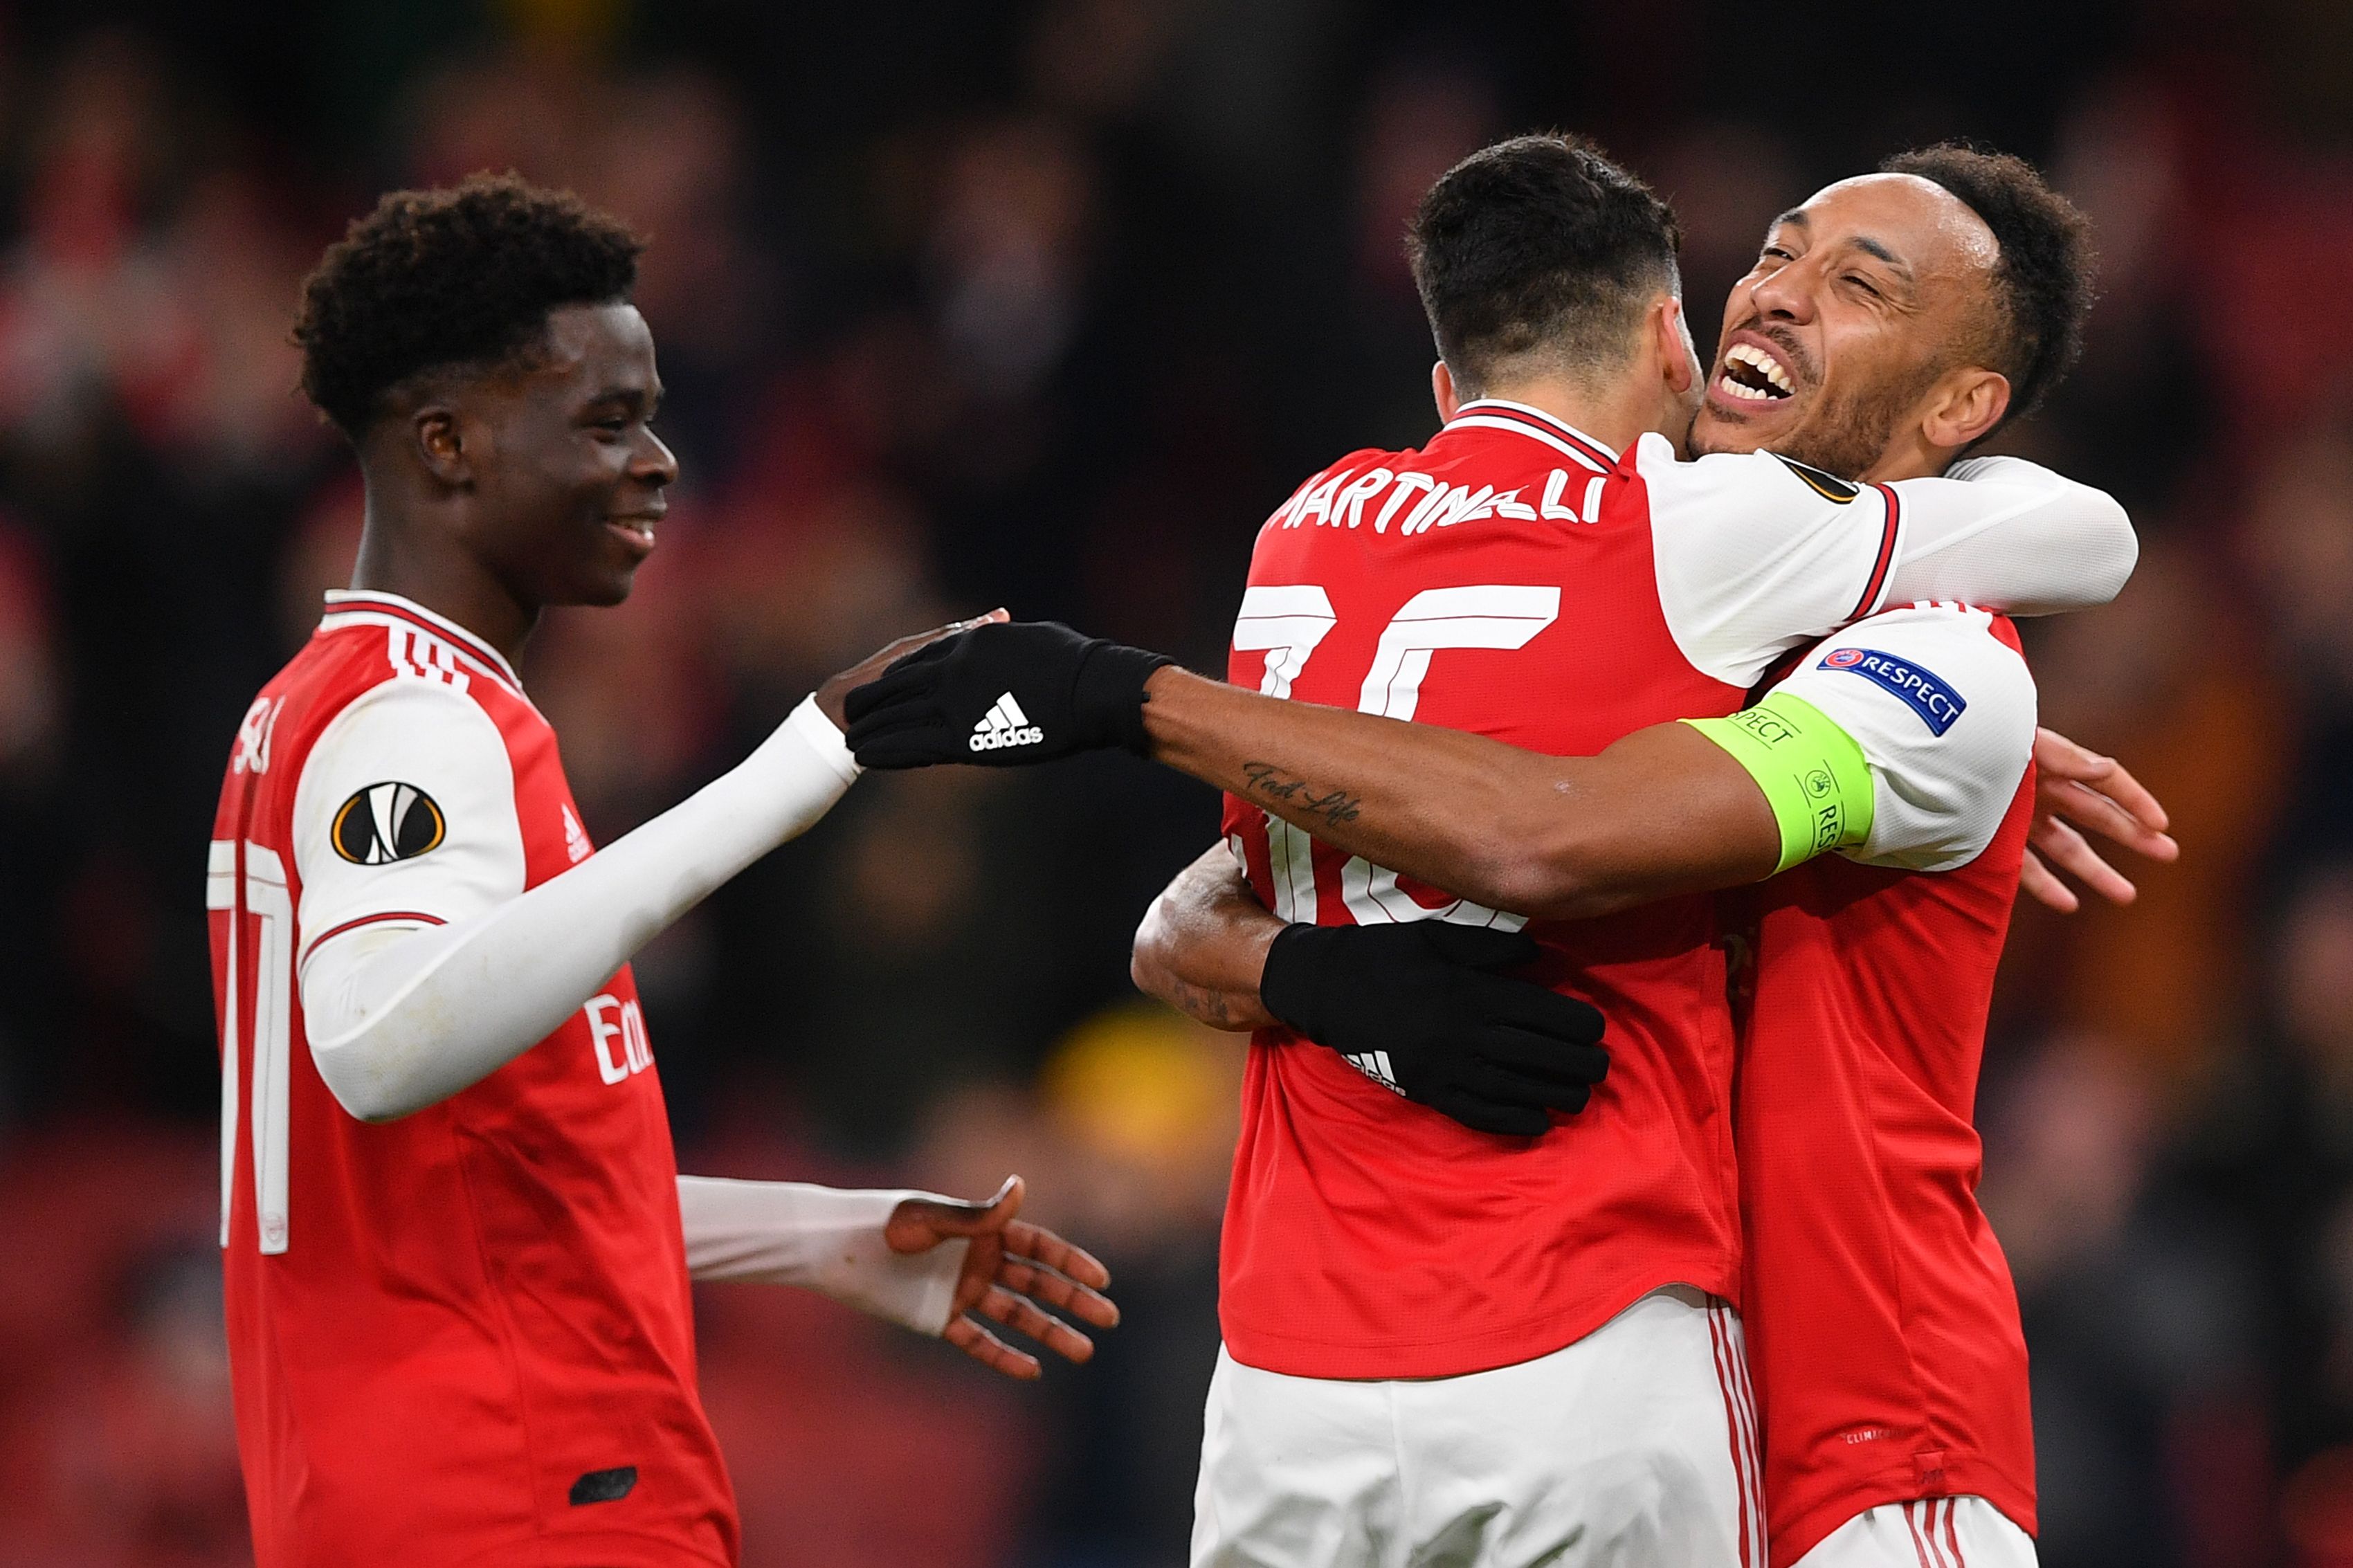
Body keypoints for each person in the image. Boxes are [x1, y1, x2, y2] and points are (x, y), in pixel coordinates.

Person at [842, 138, 2139, 1565]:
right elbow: (1200, 906)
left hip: (1869, 1457)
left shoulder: (1932, 669)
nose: (1773, 295)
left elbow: (1546, 829)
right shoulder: (1654, 598)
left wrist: (1124, 697)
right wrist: (1321, 968)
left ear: (1963, 399)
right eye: (1771, 254)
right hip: (1641, 1396)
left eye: (1857, 286)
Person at [206, 174, 1118, 1568]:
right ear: (445, 443)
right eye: (605, 420)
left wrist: (823, 1236)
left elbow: (474, 1176)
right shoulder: (414, 717)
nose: (659, 461)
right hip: (516, 1492)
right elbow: (380, 1046)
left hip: (429, 1486)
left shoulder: (333, 704)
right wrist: (793, 771)